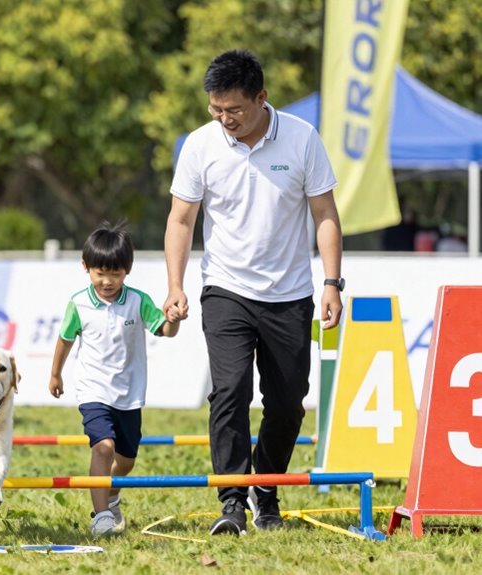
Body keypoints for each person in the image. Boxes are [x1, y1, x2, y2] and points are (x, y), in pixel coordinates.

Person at [163, 49, 343, 535]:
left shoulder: (303, 139)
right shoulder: (201, 146)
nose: (224, 119)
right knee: (230, 390)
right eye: (216, 109)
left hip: (290, 293)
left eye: (234, 111)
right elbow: (182, 219)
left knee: (288, 402)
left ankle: (266, 488)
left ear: (262, 98)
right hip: (226, 289)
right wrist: (175, 285)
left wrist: (331, 283)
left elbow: (325, 215)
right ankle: (231, 501)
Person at [48, 222, 180, 537]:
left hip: (129, 393)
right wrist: (55, 374)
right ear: (85, 267)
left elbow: (164, 330)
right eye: (100, 273)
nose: (107, 281)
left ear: (128, 270)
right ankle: (102, 516)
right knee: (103, 447)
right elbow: (65, 340)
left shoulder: (138, 301)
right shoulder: (78, 304)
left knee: (126, 459)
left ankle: (111, 492)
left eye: (116, 274)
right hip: (93, 389)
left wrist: (174, 321)